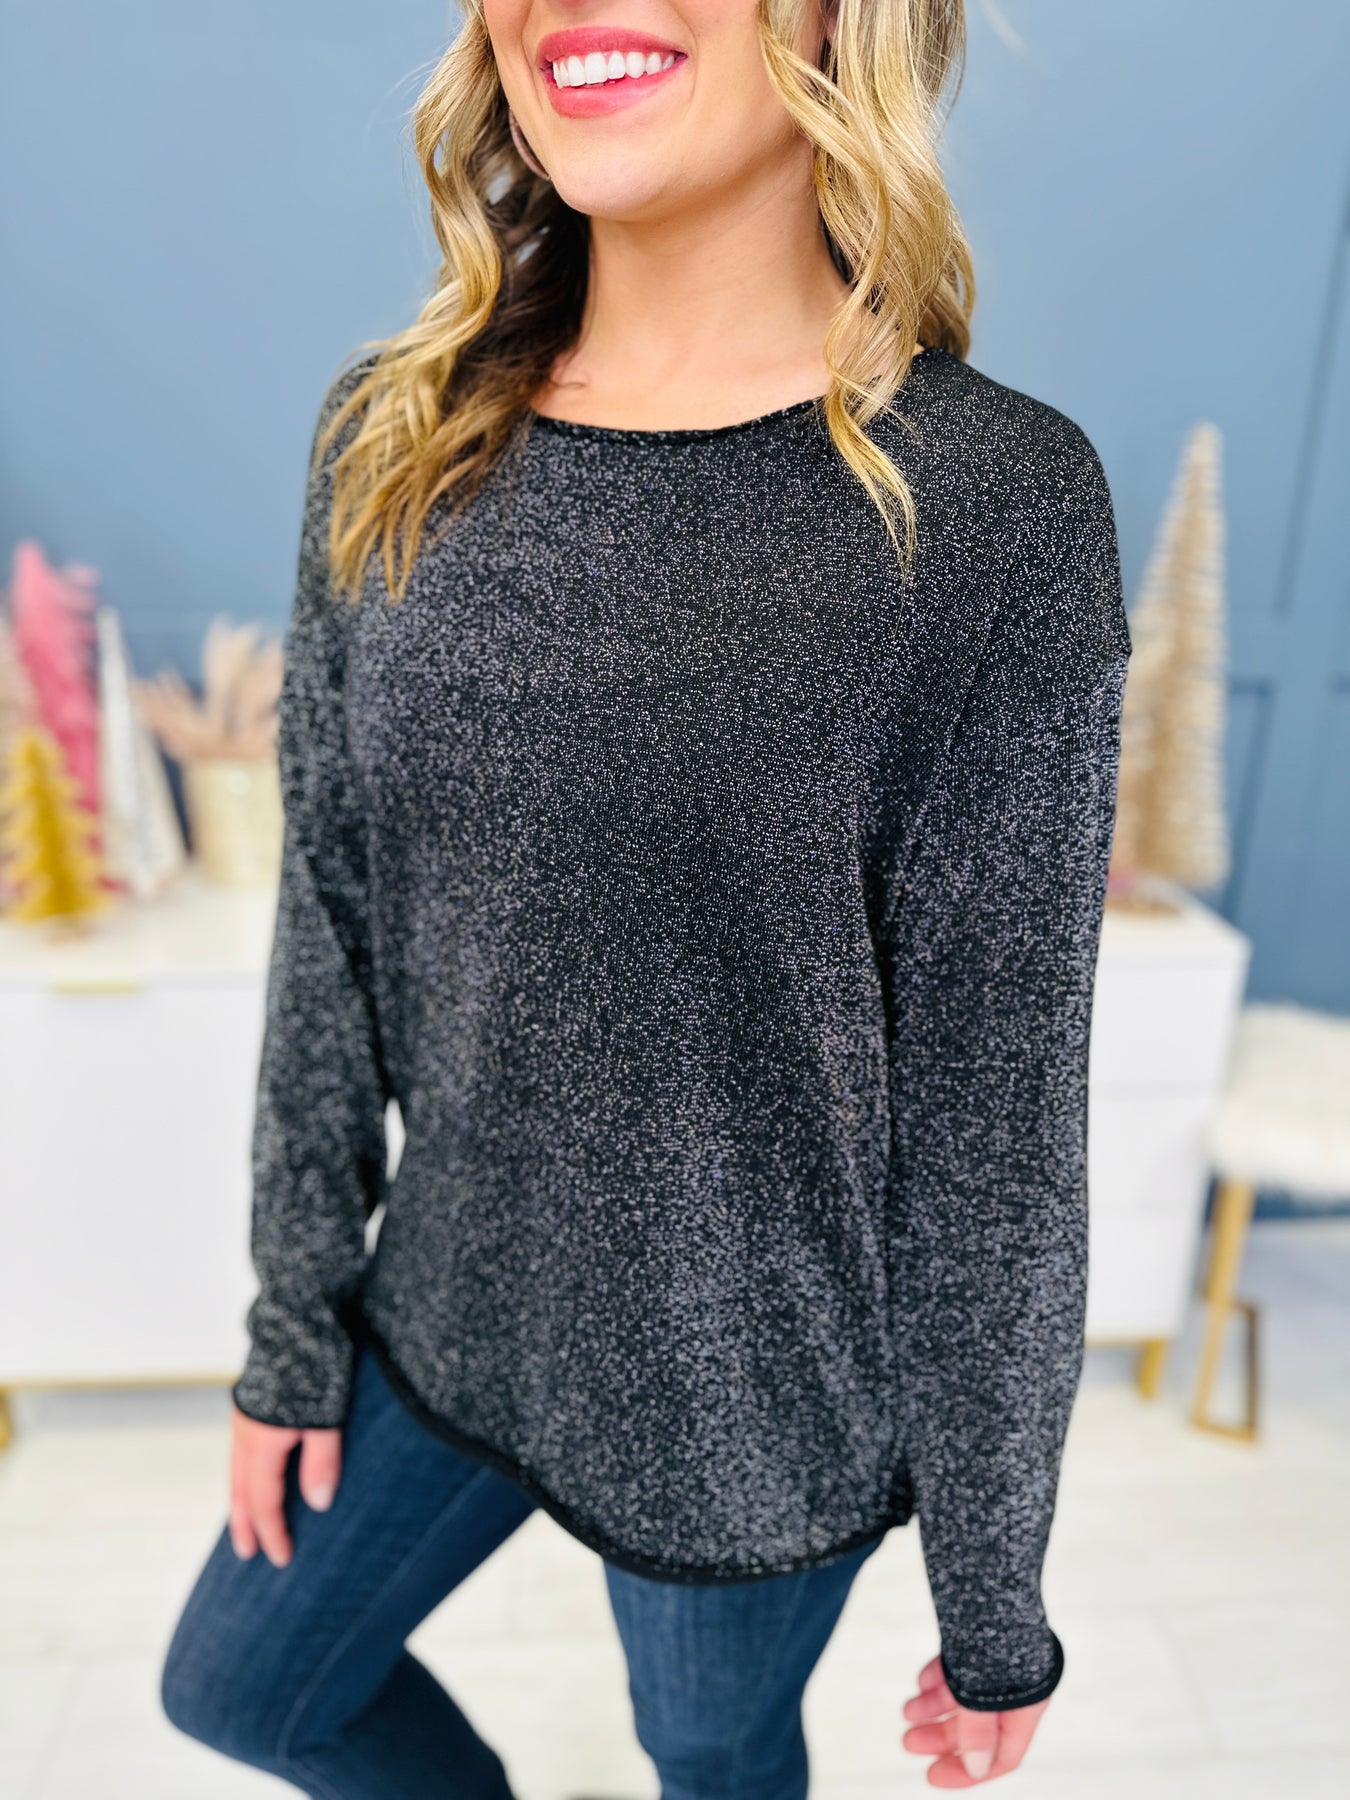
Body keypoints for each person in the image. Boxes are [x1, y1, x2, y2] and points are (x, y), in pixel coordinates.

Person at [160, 0, 1130, 1793]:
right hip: (453, 1297)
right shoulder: (398, 433)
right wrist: (294, 1326)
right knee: (245, 1688)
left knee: (708, 1754)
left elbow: (997, 1125)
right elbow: (332, 917)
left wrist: (992, 1581)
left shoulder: (990, 505)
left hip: (754, 1383)